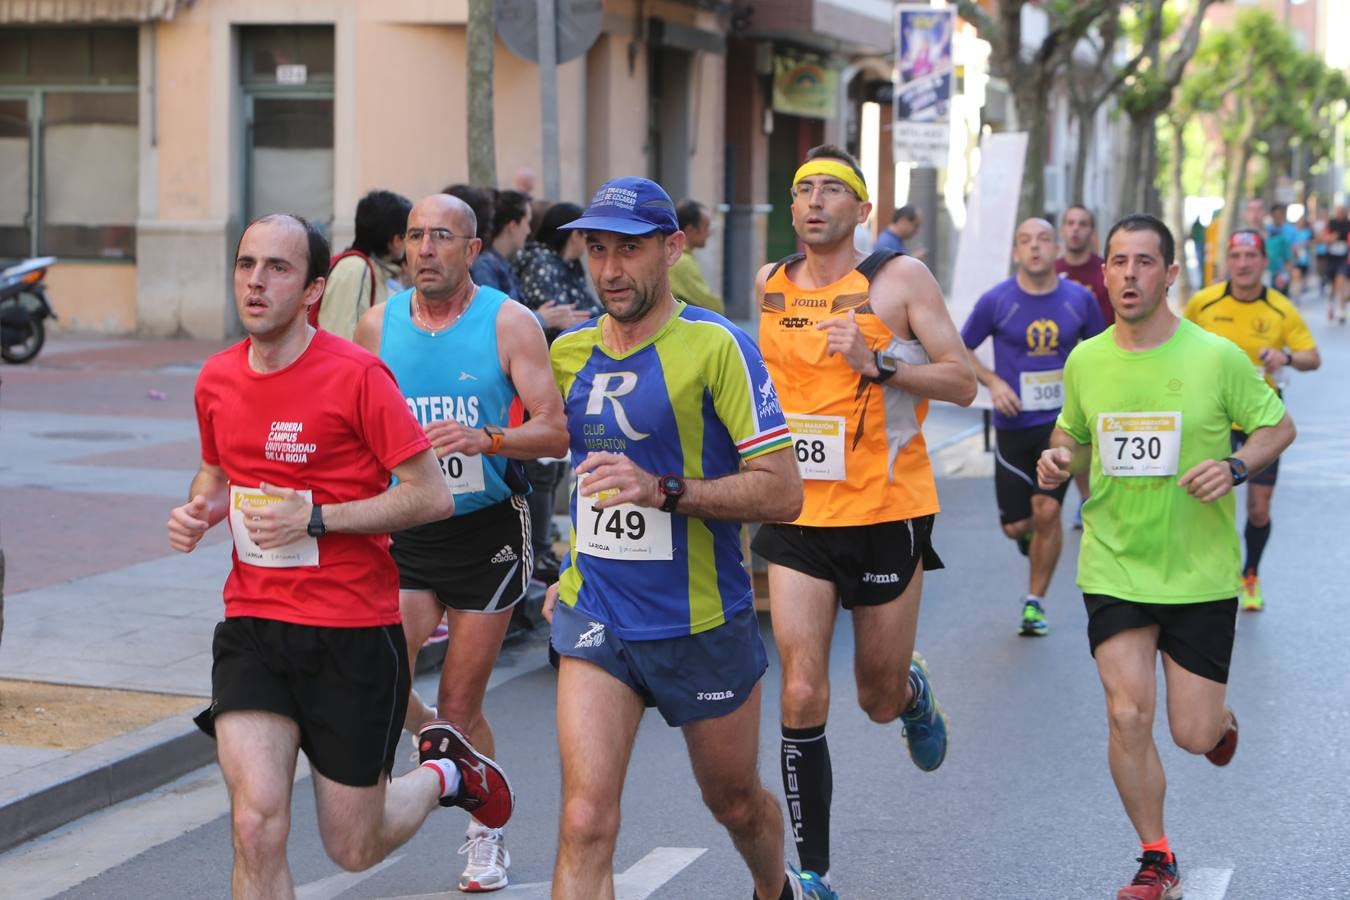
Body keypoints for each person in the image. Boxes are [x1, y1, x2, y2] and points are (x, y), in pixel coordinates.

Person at [168, 213, 514, 895]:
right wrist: (199, 510)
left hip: (351, 633)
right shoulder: (215, 379)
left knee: (354, 846)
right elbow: (215, 472)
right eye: (246, 265)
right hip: (253, 626)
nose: (256, 282)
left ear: (313, 289)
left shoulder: (357, 376)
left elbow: (430, 497)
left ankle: (446, 774)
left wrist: (316, 519)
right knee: (255, 824)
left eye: (278, 268)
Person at [543, 176, 813, 900]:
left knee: (733, 801)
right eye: (596, 250)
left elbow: (783, 492)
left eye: (628, 250)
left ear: (672, 248)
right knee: (584, 819)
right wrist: (566, 569)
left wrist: (662, 489)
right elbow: (577, 476)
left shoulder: (719, 347)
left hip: (701, 619)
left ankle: (775, 888)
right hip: (599, 611)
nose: (609, 270)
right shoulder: (569, 352)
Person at [1037, 214, 1295, 900]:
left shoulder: (1215, 357)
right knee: (1127, 714)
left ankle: (1220, 724)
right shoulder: (1086, 360)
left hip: (1199, 571)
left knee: (1192, 733)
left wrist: (1235, 466)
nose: (1129, 274)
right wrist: (1058, 459)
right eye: (1118, 261)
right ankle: (1157, 858)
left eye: (1144, 262)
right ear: (1105, 272)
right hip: (1115, 562)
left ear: (1170, 274)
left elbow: (1277, 426)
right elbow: (1072, 437)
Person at [751, 145, 977, 896]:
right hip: (798, 511)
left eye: (832, 190)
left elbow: (963, 382)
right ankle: (813, 872)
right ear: (791, 207)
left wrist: (882, 365)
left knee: (875, 699)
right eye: (803, 189)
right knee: (800, 689)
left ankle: (910, 693)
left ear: (861, 208)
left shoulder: (898, 279)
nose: (815, 201)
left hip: (886, 511)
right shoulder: (771, 283)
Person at [353, 194, 567, 893]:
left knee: (460, 705)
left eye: (441, 236)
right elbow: (349, 424)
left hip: (487, 532)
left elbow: (555, 429)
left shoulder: (509, 322)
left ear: (472, 249)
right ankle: (430, 745)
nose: (425, 249)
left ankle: (486, 835)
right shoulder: (376, 325)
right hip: (406, 530)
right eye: (415, 235)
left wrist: (488, 438)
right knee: (378, 676)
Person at [962, 217, 1105, 636]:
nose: (1035, 247)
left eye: (1044, 239)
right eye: (1025, 240)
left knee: (1047, 510)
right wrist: (993, 382)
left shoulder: (1079, 299)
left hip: (1061, 426)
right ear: (1016, 252)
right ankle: (1031, 539)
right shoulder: (997, 300)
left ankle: (1034, 603)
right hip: (1012, 425)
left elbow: (1102, 352)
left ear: (1056, 247)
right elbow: (961, 347)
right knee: (1017, 526)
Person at [1182, 229, 1320, 611]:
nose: (1243, 264)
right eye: (1236, 256)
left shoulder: (1280, 308)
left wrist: (1286, 357)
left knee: (1258, 509)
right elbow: (1175, 341)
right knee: (1205, 501)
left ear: (1263, 262)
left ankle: (1251, 574)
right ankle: (1205, 574)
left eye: (1251, 256)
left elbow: (1312, 357)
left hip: (1262, 420)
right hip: (1213, 418)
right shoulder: (1204, 303)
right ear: (1228, 261)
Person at [513, 202, 602, 584]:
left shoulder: (568, 267)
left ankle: (543, 547)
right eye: (589, 238)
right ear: (573, 234)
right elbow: (557, 318)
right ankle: (537, 550)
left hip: (571, 378)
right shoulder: (541, 265)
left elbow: (586, 312)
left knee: (557, 466)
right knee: (543, 468)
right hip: (544, 378)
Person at [318, 190, 411, 340]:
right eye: (411, 235)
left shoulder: (373, 269)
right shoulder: (355, 268)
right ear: (396, 239)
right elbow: (341, 335)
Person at [1057, 204, 1112, 325]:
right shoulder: (1051, 271)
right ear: (1061, 231)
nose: (1075, 228)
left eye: (1082, 224)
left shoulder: (1107, 270)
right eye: (1070, 223)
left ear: (1092, 233)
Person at [470, 189, 532, 297]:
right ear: (512, 226)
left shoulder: (500, 263)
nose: (529, 231)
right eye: (527, 222)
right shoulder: (484, 266)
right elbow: (491, 306)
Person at [669, 198, 725, 313]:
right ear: (690, 230)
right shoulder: (682, 262)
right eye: (706, 227)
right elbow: (712, 306)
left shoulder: (675, 256)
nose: (708, 234)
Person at [1321, 205, 1349, 323]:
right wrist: (1332, 237)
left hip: (1343, 258)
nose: (1340, 213)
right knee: (1332, 286)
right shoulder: (1332, 223)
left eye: (1342, 211)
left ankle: (1341, 310)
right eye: (1338, 211)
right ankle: (1331, 305)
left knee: (1341, 282)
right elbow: (1324, 237)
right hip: (1331, 258)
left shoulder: (1348, 224)